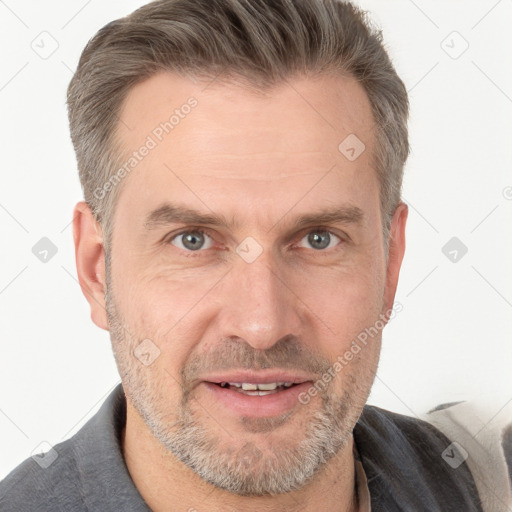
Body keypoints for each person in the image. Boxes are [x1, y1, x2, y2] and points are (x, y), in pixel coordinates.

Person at [0, 0, 509, 510]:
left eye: (318, 239)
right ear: (97, 270)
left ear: (391, 261)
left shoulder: (489, 487)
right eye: (193, 240)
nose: (262, 324)